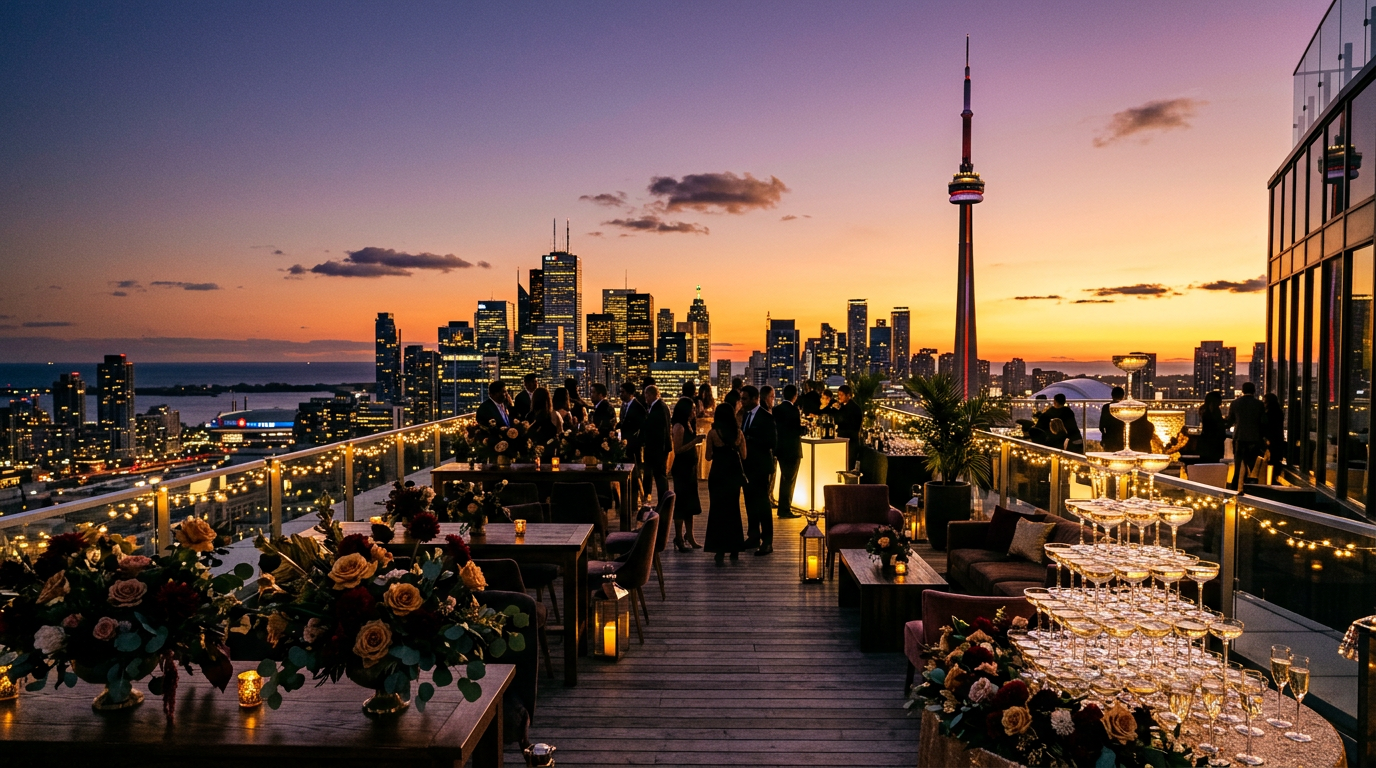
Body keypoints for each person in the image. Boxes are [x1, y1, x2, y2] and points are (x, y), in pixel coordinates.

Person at [704, 402, 747, 565]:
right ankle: (735, 548)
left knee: (717, 511)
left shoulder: (713, 434)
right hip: (733, 476)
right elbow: (744, 456)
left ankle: (719, 550)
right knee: (733, 510)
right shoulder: (739, 434)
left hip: (717, 475)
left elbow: (708, 456)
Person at [739, 385, 777, 555]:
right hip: (747, 467)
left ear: (755, 399)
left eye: (745, 398)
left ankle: (767, 541)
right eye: (741, 398)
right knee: (749, 503)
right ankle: (753, 536)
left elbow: (772, 442)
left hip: (760, 467)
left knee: (762, 504)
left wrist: (751, 439)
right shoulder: (746, 416)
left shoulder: (766, 417)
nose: (742, 401)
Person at [670, 396, 704, 550]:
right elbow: (677, 450)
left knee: (689, 504)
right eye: (692, 409)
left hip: (690, 469)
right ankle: (678, 537)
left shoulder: (689, 424)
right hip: (682, 469)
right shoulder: (679, 427)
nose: (694, 412)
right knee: (681, 504)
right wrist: (694, 442)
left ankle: (690, 535)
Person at [1226, 382, 1266, 490]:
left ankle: (1235, 487)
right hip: (1254, 439)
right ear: (1254, 390)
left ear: (1242, 391)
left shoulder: (1235, 403)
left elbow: (1230, 420)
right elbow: (1263, 422)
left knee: (1238, 467)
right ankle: (1250, 489)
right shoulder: (1259, 404)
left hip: (1239, 438)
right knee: (1251, 467)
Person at [774, 384, 804, 519]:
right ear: (795, 396)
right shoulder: (794, 410)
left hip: (780, 449)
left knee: (784, 479)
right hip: (792, 450)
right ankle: (785, 509)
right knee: (789, 481)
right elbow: (796, 430)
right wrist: (805, 429)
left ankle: (783, 507)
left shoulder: (776, 409)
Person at [640, 384, 673, 504]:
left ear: (652, 395)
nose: (645, 398)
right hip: (658, 447)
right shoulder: (661, 406)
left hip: (657, 448)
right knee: (659, 475)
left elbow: (660, 429)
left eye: (646, 395)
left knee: (660, 476)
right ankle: (662, 500)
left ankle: (663, 501)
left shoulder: (659, 408)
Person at [619, 382, 647, 503]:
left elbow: (641, 426)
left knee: (635, 472)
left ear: (630, 393)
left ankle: (635, 499)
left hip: (633, 445)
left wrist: (636, 440)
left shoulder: (637, 407)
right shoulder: (625, 406)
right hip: (626, 444)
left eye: (622, 392)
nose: (620, 395)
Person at [834, 384, 864, 467]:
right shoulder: (843, 407)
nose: (839, 397)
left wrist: (837, 410)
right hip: (844, 440)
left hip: (851, 442)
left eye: (841, 395)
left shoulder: (854, 408)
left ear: (848, 396)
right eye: (838, 395)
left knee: (848, 465)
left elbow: (841, 421)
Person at [526, 387, 561, 454]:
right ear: (548, 399)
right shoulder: (553, 415)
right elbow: (559, 432)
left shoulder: (529, 416)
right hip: (550, 451)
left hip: (533, 452)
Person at [1198, 391, 1226, 464]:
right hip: (1214, 443)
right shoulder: (1215, 411)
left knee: (1206, 463)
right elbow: (1218, 424)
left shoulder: (1204, 410)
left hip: (1206, 442)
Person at [1263, 392, 1285, 481]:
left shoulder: (1269, 413)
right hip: (1277, 439)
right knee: (1275, 460)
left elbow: (1267, 426)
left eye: (1264, 401)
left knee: (1270, 460)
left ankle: (1271, 479)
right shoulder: (1279, 412)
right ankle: (1274, 478)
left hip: (1271, 440)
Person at [1099, 387, 1126, 452]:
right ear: (1123, 396)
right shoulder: (1125, 408)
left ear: (1112, 395)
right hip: (1122, 439)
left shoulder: (1106, 407)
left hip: (1109, 438)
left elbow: (1101, 426)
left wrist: (1104, 436)